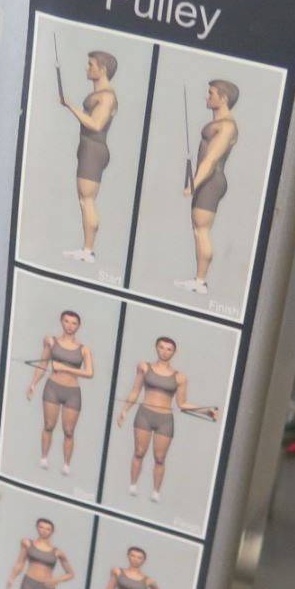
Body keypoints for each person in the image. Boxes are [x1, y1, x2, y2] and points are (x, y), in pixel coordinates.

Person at [116, 336, 220, 502]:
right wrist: (124, 410)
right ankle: (133, 484)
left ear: (174, 352)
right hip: (144, 414)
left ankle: (156, 491)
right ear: (156, 348)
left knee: (160, 458)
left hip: (165, 419)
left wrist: (206, 411)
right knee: (139, 452)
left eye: (169, 349)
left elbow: (182, 404)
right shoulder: (144, 367)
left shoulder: (180, 377)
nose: (164, 351)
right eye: (162, 347)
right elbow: (135, 391)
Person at [178, 79, 239, 295]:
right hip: (207, 180)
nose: (207, 97)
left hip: (211, 180)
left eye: (211, 93)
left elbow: (211, 159)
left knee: (201, 230)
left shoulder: (226, 126)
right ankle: (198, 279)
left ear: (223, 98)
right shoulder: (221, 124)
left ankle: (201, 281)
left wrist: (194, 184)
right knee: (198, 230)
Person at [63, 51, 118, 264]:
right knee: (85, 200)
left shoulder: (107, 96)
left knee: (87, 200)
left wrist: (71, 106)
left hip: (94, 149)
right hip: (88, 148)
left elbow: (96, 124)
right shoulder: (102, 94)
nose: (87, 68)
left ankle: (88, 250)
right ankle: (87, 248)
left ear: (102, 69)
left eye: (91, 64)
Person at [26, 310, 93, 475]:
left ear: (79, 326)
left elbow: (89, 373)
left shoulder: (84, 349)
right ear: (61, 322)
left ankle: (66, 465)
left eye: (73, 323)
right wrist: (33, 383)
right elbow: (43, 364)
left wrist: (64, 368)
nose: (69, 326)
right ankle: (44, 457)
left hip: (72, 392)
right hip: (52, 388)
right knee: (49, 425)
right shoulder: (51, 341)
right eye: (66, 321)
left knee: (69, 431)